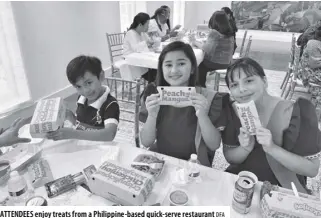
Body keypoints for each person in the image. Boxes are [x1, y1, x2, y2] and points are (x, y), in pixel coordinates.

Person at [217, 57, 320, 193]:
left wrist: (271, 148)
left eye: (249, 81)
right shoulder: (232, 111)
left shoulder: (296, 112)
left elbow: (311, 169)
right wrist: (245, 148)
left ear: (264, 81)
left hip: (282, 190)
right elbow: (231, 157)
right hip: (243, 184)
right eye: (234, 85)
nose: (241, 89)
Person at [140, 41, 225, 167]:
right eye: (168, 65)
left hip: (194, 165)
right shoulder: (154, 94)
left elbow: (214, 145)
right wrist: (152, 115)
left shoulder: (209, 98)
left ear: (192, 68)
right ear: (161, 69)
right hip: (162, 161)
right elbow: (146, 142)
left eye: (181, 63)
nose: (174, 70)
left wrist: (202, 115)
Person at [47, 56, 120, 141]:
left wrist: (74, 133)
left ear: (101, 76)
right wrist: (71, 117)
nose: (85, 91)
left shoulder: (110, 104)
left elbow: (109, 134)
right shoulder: (81, 99)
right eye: (78, 86)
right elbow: (82, 126)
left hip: (102, 150)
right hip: (83, 146)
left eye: (88, 83)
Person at [192, 11, 235, 88]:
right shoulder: (230, 32)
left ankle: (200, 87)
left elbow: (207, 49)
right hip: (227, 62)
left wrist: (194, 42)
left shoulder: (214, 33)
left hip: (215, 63)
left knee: (197, 66)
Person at [123, 12, 156, 83]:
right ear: (140, 24)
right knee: (154, 73)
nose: (148, 27)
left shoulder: (142, 33)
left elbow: (149, 42)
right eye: (147, 25)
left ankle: (154, 85)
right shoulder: (130, 33)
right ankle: (152, 86)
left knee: (155, 70)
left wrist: (151, 41)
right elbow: (136, 48)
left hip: (141, 58)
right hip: (131, 61)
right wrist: (147, 43)